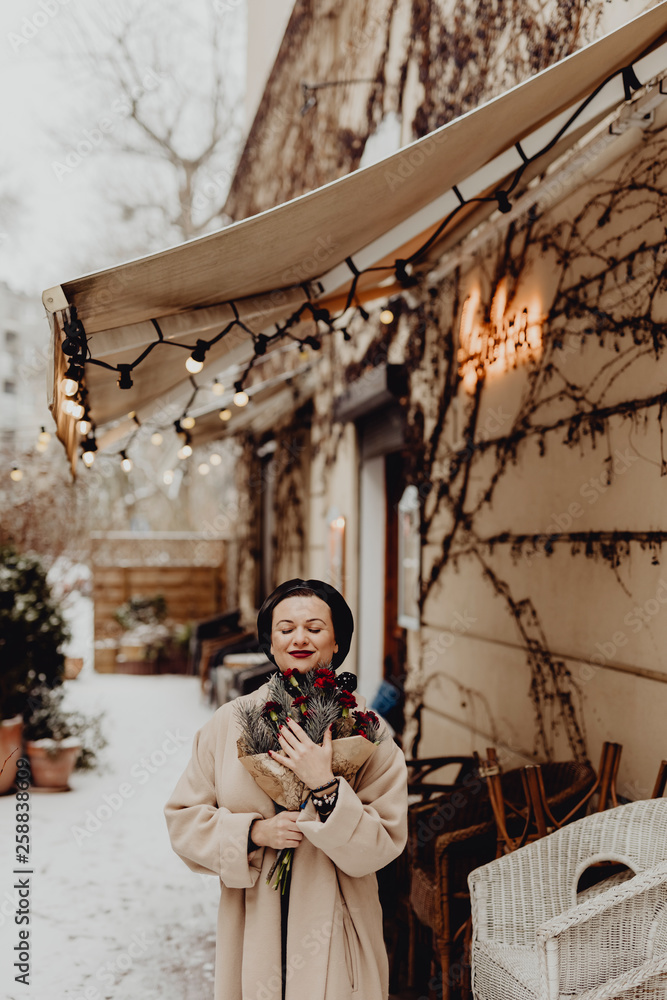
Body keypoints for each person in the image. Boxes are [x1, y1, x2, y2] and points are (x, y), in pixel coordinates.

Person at [164, 578, 408, 1000]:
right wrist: (252, 834)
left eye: (315, 628)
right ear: (270, 642)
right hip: (253, 929)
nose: (300, 638)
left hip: (337, 929)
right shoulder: (231, 722)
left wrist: (325, 787)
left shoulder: (367, 730)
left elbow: (383, 843)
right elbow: (183, 821)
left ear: (336, 643)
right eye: (285, 628)